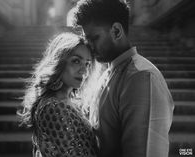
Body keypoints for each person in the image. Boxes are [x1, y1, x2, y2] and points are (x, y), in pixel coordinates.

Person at [73, 0, 175, 157]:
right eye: (87, 40)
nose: (90, 47)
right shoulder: (107, 73)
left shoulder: (141, 77)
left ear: (116, 31)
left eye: (94, 38)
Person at [18, 32, 100, 157]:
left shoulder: (65, 102)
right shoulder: (54, 107)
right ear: (59, 62)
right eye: (76, 61)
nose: (84, 70)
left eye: (87, 64)